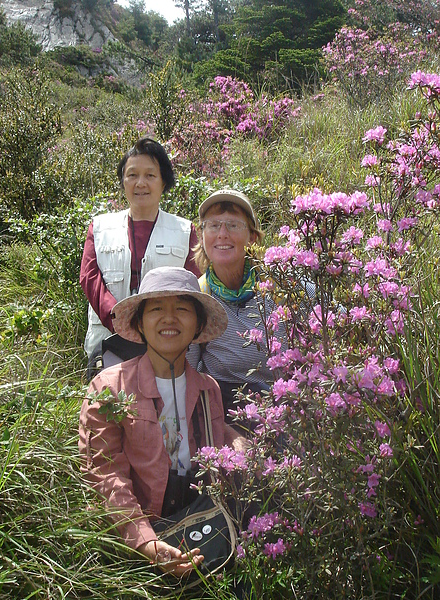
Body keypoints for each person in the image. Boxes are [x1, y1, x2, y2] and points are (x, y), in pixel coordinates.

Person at [79, 266, 245, 576]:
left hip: (196, 526)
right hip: (131, 544)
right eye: (156, 309)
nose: (169, 318)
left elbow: (218, 453)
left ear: (197, 325)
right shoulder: (108, 389)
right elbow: (104, 476)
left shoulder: (207, 388)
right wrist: (147, 544)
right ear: (140, 323)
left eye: (182, 309)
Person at [80, 137, 200, 379]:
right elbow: (89, 277)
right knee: (110, 411)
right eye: (132, 175)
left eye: (150, 175)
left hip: (166, 343)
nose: (140, 183)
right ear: (123, 181)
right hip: (107, 341)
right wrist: (119, 319)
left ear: (164, 181)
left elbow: (192, 285)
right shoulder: (100, 227)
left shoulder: (185, 231)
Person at [189, 189, 283, 419]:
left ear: (252, 236)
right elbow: (187, 371)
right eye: (213, 225)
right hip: (226, 413)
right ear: (202, 235)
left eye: (233, 225)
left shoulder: (282, 286)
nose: (222, 234)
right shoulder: (197, 296)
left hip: (288, 406)